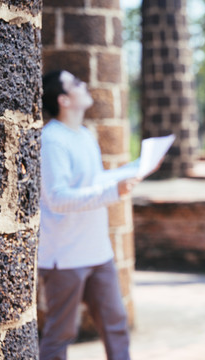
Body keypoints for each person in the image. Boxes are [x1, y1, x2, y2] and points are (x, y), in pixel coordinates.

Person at [38, 70, 137, 360]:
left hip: (98, 252)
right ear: (64, 100)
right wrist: (112, 191)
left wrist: (134, 170)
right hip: (65, 256)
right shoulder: (52, 140)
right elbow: (57, 198)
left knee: (116, 324)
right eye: (76, 83)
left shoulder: (84, 134)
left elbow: (93, 181)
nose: (85, 85)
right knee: (60, 334)